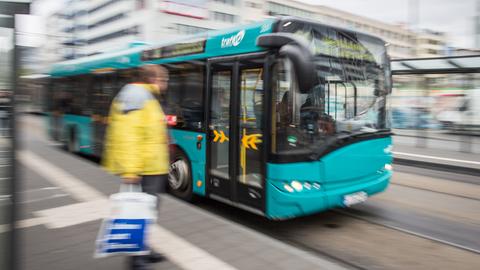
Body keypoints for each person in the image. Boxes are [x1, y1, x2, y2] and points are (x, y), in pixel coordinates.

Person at [102, 64, 170, 270]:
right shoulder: (136, 96)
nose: (165, 84)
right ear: (153, 79)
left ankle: (144, 250)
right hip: (144, 167)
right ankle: (135, 259)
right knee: (140, 212)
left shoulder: (147, 96)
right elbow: (128, 136)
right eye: (163, 80)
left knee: (148, 211)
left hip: (152, 165)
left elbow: (149, 130)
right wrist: (131, 170)